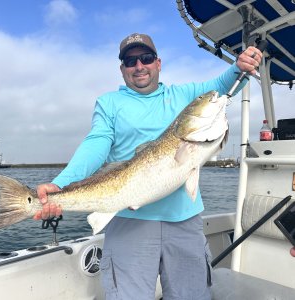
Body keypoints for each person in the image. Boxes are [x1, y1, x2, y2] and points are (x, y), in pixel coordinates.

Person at [34, 33, 262, 299]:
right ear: (122, 70)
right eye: (130, 61)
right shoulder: (110, 103)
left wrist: (239, 66)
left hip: (185, 222)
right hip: (130, 222)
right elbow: (96, 144)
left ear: (158, 63)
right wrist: (60, 184)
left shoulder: (185, 95)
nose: (139, 66)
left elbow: (223, 85)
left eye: (146, 58)